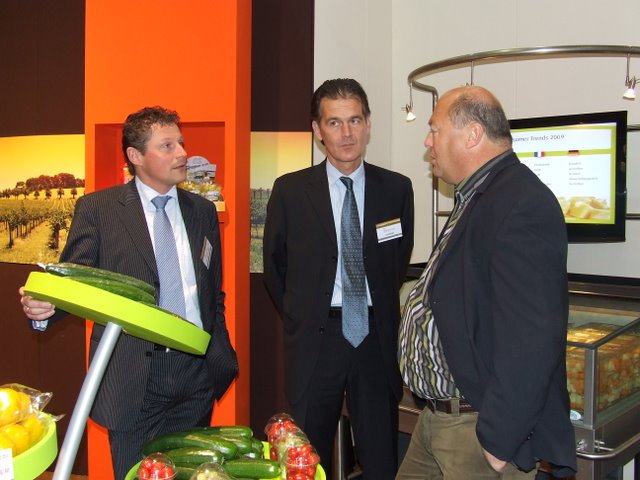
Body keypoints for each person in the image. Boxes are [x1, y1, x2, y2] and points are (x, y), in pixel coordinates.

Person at [18, 106, 238, 479]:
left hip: (195, 376)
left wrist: (219, 351)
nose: (182, 153)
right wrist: (44, 309)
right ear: (135, 156)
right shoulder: (99, 210)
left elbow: (211, 292)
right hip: (134, 378)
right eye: (167, 146)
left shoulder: (201, 211)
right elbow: (76, 282)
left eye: (181, 142)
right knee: (135, 473)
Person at [396, 85, 577, 479]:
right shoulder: (477, 194)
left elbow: (533, 337)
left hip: (476, 429)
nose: (428, 142)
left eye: (435, 129)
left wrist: (498, 440)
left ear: (472, 134)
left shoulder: (522, 202)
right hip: (437, 419)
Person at [263, 78, 414, 479]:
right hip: (317, 341)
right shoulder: (290, 191)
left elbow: (397, 262)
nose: (346, 133)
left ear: (368, 124)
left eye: (355, 120)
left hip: (375, 339)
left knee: (381, 458)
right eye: (334, 122)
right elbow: (275, 267)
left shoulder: (397, 189)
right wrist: (302, 313)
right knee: (306, 460)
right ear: (318, 130)